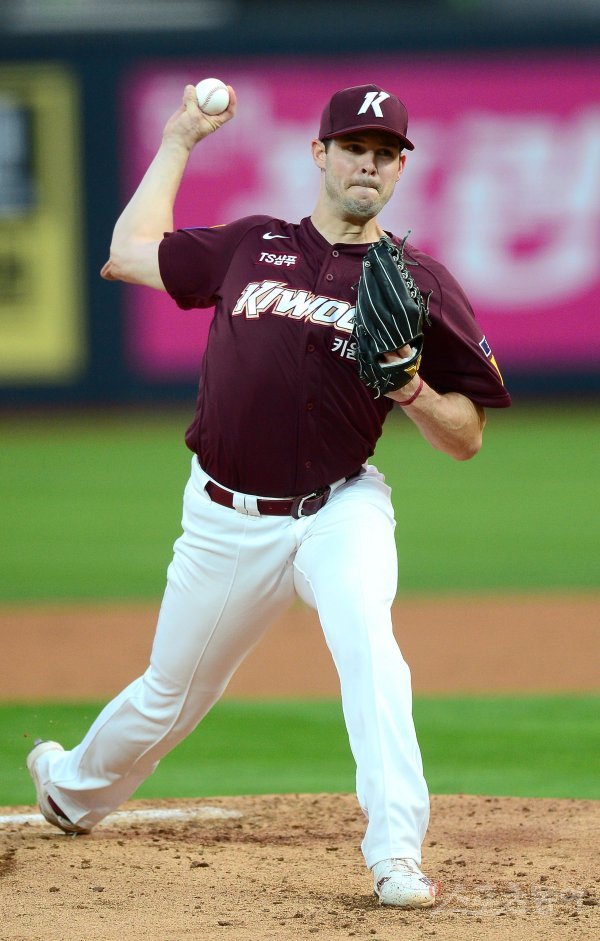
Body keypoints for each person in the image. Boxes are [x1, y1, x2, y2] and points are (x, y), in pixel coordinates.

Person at [27, 82, 511, 908]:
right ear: (320, 154)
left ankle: (396, 854)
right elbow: (127, 252)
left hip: (342, 508)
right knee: (171, 693)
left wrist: (414, 390)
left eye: (386, 152)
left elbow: (466, 436)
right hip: (224, 517)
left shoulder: (420, 283)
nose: (369, 164)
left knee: (371, 651)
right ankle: (71, 789)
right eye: (354, 147)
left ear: (401, 170)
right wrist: (179, 139)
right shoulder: (252, 244)